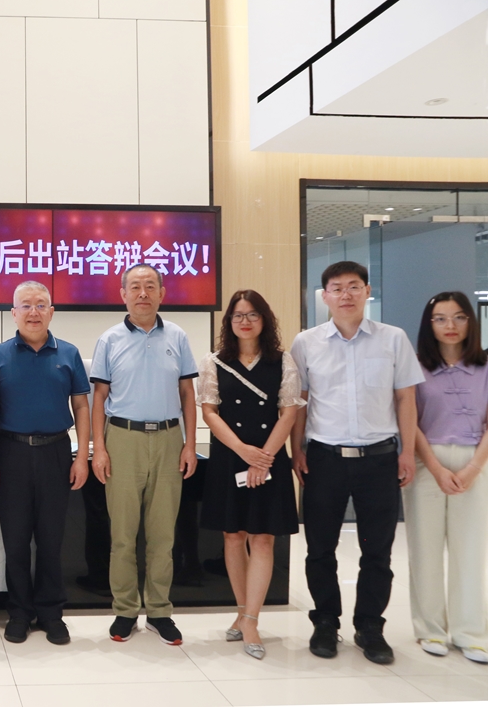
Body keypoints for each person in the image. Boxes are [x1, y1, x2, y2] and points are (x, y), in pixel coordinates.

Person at [290, 261, 423, 665]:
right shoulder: (306, 343)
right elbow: (299, 402)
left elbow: (405, 399)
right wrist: (297, 450)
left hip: (379, 459)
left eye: (353, 286)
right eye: (336, 288)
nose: (345, 294)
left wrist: (407, 451)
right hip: (324, 459)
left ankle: (369, 626)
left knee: (377, 550)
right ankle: (325, 622)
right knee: (319, 548)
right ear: (324, 296)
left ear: (367, 291)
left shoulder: (393, 339)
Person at [90, 263, 197, 646]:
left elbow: (187, 394)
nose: (142, 293)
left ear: (162, 293)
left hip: (168, 440)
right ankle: (124, 610)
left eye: (150, 286)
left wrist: (189, 444)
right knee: (122, 536)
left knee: (162, 536)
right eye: (135, 286)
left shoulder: (178, 336)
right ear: (123, 294)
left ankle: (159, 611)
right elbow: (99, 398)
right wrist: (99, 448)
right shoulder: (109, 339)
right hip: (123, 439)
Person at [196, 290, 303, 660]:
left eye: (253, 314)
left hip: (269, 457)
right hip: (230, 457)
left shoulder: (282, 361)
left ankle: (253, 620)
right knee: (232, 536)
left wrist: (263, 459)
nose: (245, 321)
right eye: (238, 315)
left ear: (265, 319)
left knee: (262, 538)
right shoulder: (214, 362)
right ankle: (242, 612)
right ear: (229, 321)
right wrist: (243, 451)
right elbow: (209, 412)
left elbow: (288, 413)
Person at [0, 281, 90, 645]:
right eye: (26, 305)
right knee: (15, 540)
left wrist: (82, 456)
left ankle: (51, 613)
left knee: (51, 538)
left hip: (56, 452)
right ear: (13, 313)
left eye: (41, 305)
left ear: (51, 311)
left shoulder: (69, 353)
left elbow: (81, 405)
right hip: (11, 453)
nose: (34, 312)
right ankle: (19, 612)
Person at [406, 291, 488, 664]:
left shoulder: (485, 367)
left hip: (475, 461)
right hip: (427, 462)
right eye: (440, 318)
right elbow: (409, 422)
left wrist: (472, 468)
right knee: (424, 549)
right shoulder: (415, 368)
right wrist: (436, 468)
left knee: (470, 551)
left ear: (471, 321)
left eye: (458, 317)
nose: (450, 326)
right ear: (429, 325)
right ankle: (430, 629)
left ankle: (471, 633)